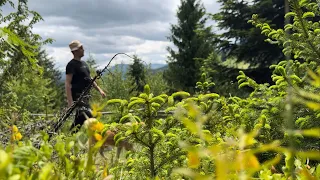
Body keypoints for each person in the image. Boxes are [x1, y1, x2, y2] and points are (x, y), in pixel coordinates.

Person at [65, 40, 106, 132]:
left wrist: (100, 90)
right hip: (78, 97)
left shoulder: (84, 64)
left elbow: (89, 79)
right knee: (89, 116)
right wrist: (70, 102)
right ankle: (98, 138)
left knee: (81, 119)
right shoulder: (71, 65)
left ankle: (68, 137)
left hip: (85, 97)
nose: (83, 50)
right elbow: (67, 83)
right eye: (81, 48)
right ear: (74, 51)